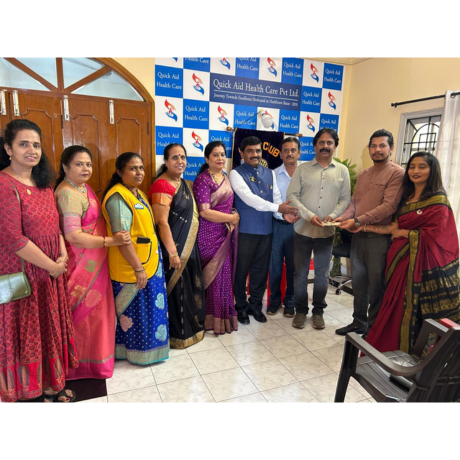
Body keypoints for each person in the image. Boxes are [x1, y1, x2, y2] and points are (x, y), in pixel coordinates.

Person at [0, 119, 78, 402]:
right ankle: (28, 392)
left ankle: (51, 384)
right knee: (26, 332)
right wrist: (52, 265)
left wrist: (63, 254)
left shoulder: (44, 184)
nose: (31, 150)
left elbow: (55, 226)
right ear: (8, 148)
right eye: (23, 144)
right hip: (22, 275)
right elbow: (13, 239)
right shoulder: (3, 184)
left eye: (36, 144)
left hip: (50, 274)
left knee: (49, 329)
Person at [359, 152, 460, 353]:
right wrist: (363, 227)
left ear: (432, 170)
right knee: (396, 304)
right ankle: (392, 348)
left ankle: (416, 352)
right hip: (400, 262)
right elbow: (393, 227)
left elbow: (440, 236)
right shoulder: (406, 198)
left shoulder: (438, 200)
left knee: (415, 307)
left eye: (422, 166)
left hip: (425, 265)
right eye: (412, 166)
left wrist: (406, 233)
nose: (415, 171)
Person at [55, 145, 131, 379]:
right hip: (81, 265)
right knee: (85, 315)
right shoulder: (67, 193)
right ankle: (81, 366)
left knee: (98, 315)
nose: (86, 168)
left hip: (95, 261)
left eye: (88, 164)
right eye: (79, 164)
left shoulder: (82, 187)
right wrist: (111, 241)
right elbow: (73, 235)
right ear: (65, 166)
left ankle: (97, 361)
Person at [335, 129, 405, 337]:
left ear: (391, 148)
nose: (377, 150)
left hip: (379, 239)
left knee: (376, 287)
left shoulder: (397, 174)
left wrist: (357, 220)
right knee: (359, 284)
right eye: (373, 146)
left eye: (382, 145)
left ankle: (374, 330)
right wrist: (343, 217)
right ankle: (359, 323)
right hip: (358, 237)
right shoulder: (364, 174)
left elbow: (389, 206)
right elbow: (354, 203)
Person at [102, 152, 169, 365]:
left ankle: (151, 350)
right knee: (137, 313)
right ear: (119, 171)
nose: (139, 172)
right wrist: (138, 268)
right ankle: (135, 353)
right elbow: (122, 238)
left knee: (149, 310)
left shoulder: (136, 193)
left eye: (141, 168)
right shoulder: (118, 198)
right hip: (132, 267)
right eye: (133, 168)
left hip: (149, 262)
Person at [229, 136, 299, 325]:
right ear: (241, 153)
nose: (255, 154)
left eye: (258, 151)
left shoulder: (270, 173)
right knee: (241, 271)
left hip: (266, 231)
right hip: (245, 232)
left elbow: (276, 198)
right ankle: (241, 307)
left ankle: (255, 306)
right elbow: (250, 199)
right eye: (250, 151)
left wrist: (284, 215)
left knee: (260, 272)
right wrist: (278, 208)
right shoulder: (235, 174)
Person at [286, 128, 351, 330]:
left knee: (322, 274)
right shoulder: (302, 169)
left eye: (329, 143)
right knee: (300, 273)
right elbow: (292, 196)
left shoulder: (342, 171)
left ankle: (318, 312)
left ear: (335, 146)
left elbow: (345, 199)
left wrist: (333, 215)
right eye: (321, 142)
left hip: (326, 232)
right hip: (302, 230)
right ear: (314, 146)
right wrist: (308, 215)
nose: (325, 146)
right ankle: (300, 311)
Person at [149, 144, 205, 348]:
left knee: (190, 289)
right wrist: (173, 253)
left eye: (183, 157)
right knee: (178, 291)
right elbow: (161, 222)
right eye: (174, 157)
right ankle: (177, 336)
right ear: (165, 161)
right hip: (172, 249)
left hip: (189, 247)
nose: (180, 161)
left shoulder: (185, 184)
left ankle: (192, 330)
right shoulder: (162, 185)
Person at [193, 141, 240, 334]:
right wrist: (231, 218)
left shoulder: (225, 177)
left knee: (223, 277)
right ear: (207, 158)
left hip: (225, 234)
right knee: (212, 278)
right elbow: (205, 212)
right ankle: (208, 321)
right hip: (208, 236)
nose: (220, 158)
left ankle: (222, 318)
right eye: (215, 154)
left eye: (222, 154)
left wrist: (232, 214)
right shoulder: (202, 180)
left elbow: (227, 205)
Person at [267, 137, 301, 317]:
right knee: (275, 266)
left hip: (299, 226)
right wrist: (283, 215)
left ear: (299, 153)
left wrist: (299, 216)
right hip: (278, 225)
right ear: (280, 154)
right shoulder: (273, 174)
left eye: (293, 150)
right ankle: (274, 302)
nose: (289, 153)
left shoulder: (305, 174)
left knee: (295, 267)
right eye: (286, 150)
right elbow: (273, 201)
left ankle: (290, 302)